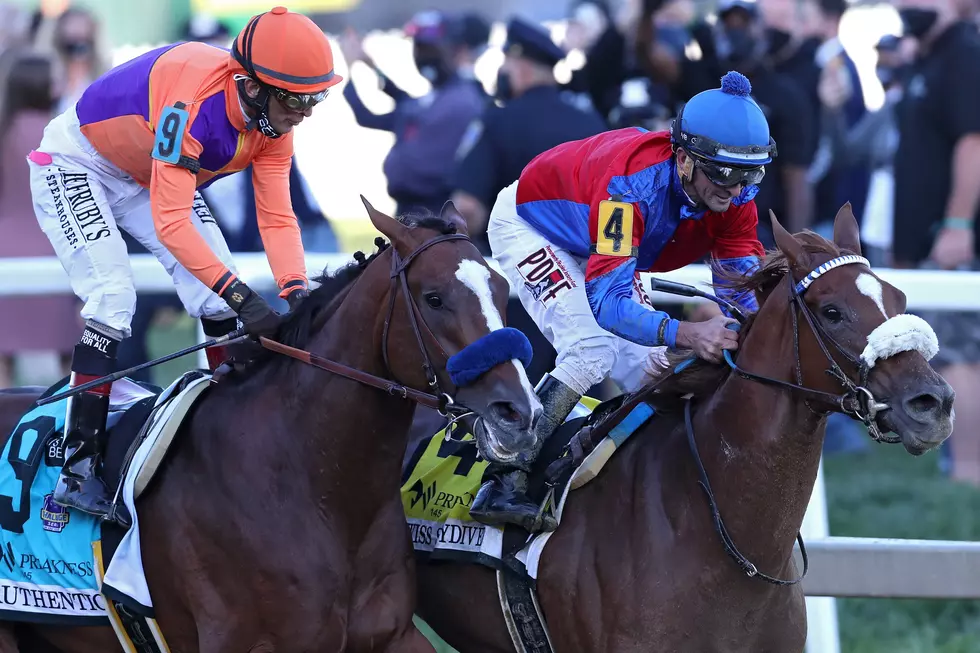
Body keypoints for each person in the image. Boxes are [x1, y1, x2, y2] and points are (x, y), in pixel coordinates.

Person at [27, 6, 341, 526]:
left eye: (315, 98)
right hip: (77, 162)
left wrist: (295, 288)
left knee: (216, 297)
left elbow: (278, 215)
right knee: (113, 299)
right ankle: (77, 469)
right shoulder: (192, 105)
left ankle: (224, 438)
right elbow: (172, 222)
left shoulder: (272, 122)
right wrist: (245, 298)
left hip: (146, 171)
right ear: (253, 85)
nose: (303, 112)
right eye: (295, 98)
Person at [469, 71, 774, 532]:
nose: (733, 191)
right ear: (684, 159)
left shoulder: (736, 202)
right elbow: (609, 305)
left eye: (748, 176)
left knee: (651, 369)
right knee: (592, 347)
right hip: (534, 224)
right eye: (722, 174)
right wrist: (690, 333)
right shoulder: (629, 189)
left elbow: (739, 295)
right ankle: (504, 474)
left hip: (602, 241)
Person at [451, 16, 608, 253]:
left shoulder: (497, 121)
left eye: (507, 64)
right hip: (583, 269)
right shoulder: (591, 123)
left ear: (522, 68)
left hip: (514, 271)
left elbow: (468, 210)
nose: (502, 72)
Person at [341, 10, 486, 216]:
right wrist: (366, 64)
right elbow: (404, 105)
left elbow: (406, 110)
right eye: (418, 47)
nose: (421, 55)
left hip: (434, 215)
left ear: (455, 49)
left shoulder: (462, 98)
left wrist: (352, 68)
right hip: (411, 213)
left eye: (429, 48)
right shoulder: (440, 96)